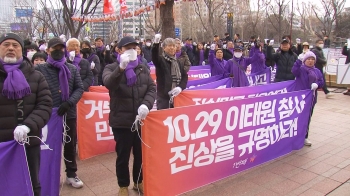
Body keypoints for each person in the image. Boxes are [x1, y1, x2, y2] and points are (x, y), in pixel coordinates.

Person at [0, 33, 53, 196]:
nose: (10, 48)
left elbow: (45, 104)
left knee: (31, 182)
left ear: (21, 50)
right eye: (6, 44)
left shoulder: (35, 75)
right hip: (2, 144)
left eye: (15, 45)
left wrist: (28, 126)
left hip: (28, 142)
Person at [102, 36, 156, 196]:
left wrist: (146, 104)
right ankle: (123, 185)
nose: (132, 51)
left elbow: (151, 88)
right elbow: (109, 84)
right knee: (123, 156)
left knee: (140, 155)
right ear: (119, 50)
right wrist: (120, 68)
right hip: (121, 121)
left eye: (134, 47)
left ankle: (138, 181)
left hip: (140, 121)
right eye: (128, 48)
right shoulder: (111, 67)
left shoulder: (143, 68)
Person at [35, 37, 84, 189]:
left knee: (69, 144)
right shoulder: (40, 69)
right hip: (48, 116)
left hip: (68, 113)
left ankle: (71, 174)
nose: (59, 51)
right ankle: (48, 174)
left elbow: (79, 88)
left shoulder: (72, 68)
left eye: (61, 48)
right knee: (48, 145)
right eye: (55, 48)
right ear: (48, 50)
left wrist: (69, 102)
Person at [292, 51, 324, 146]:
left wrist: (317, 84)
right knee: (297, 117)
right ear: (305, 60)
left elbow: (322, 81)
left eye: (312, 59)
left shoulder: (317, 71)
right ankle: (295, 136)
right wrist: (298, 60)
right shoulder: (301, 69)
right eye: (308, 59)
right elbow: (294, 71)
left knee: (307, 117)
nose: (310, 61)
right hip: (300, 98)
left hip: (311, 98)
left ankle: (305, 136)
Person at [152, 35, 188, 110]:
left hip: (177, 97)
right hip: (164, 98)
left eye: (173, 46)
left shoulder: (178, 62)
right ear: (164, 48)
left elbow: (185, 76)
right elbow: (154, 56)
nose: (172, 48)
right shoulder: (161, 61)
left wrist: (180, 87)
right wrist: (156, 44)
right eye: (169, 45)